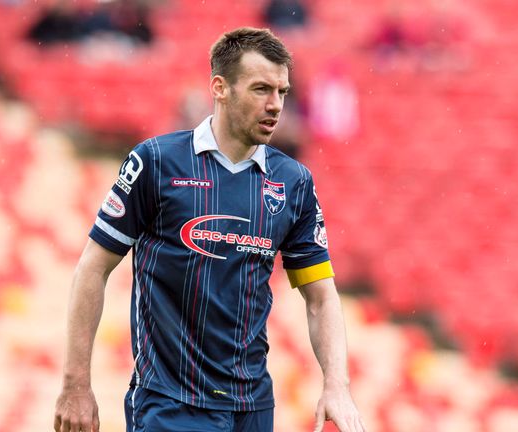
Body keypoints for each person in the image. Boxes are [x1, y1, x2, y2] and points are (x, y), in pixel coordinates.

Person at [53, 27, 366, 432]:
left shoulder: (294, 183)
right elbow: (92, 269)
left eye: (282, 92)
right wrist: (76, 384)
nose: (275, 105)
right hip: (170, 403)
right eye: (260, 90)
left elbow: (321, 297)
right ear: (220, 88)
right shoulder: (156, 163)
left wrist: (336, 386)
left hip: (252, 408)